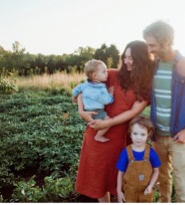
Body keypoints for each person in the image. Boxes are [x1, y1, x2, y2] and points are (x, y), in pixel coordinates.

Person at [75, 40, 155, 202]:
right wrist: (81, 111)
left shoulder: (145, 85)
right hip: (98, 132)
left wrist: (108, 123)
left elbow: (133, 111)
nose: (127, 61)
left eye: (132, 58)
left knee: (122, 179)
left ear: (142, 59)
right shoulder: (111, 74)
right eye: (125, 57)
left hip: (120, 135)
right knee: (100, 180)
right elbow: (83, 90)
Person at [143, 20, 185, 202]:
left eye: (152, 45)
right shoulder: (152, 67)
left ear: (166, 42)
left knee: (181, 184)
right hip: (157, 136)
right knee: (162, 180)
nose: (149, 49)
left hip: (178, 137)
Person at [116, 116, 161, 203]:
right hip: (129, 190)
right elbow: (120, 173)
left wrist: (150, 186)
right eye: (135, 133)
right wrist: (119, 191)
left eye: (142, 134)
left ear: (148, 135)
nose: (138, 137)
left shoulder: (151, 152)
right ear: (130, 134)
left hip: (145, 191)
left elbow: (156, 171)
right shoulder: (126, 152)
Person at [72, 59, 114, 142]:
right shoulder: (101, 89)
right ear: (95, 75)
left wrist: (74, 97)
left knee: (94, 122)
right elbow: (107, 101)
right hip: (97, 111)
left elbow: (75, 90)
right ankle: (98, 136)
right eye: (104, 72)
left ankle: (92, 124)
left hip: (87, 110)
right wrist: (111, 94)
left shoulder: (85, 85)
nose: (107, 73)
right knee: (109, 121)